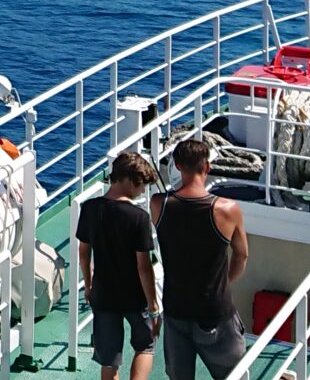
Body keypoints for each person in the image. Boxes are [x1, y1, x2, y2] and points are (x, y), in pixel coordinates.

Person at [153, 135, 249, 379]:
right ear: (207, 167)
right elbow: (242, 255)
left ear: (177, 166)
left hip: (176, 310)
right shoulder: (228, 209)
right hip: (215, 311)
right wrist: (224, 283)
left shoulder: (158, 204)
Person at [76, 150, 160, 380]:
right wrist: (153, 306)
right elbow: (144, 267)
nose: (142, 190)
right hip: (134, 296)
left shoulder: (90, 208)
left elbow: (84, 253)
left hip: (103, 295)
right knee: (146, 345)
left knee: (109, 359)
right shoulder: (138, 217)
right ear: (128, 180)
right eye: (141, 184)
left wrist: (89, 285)